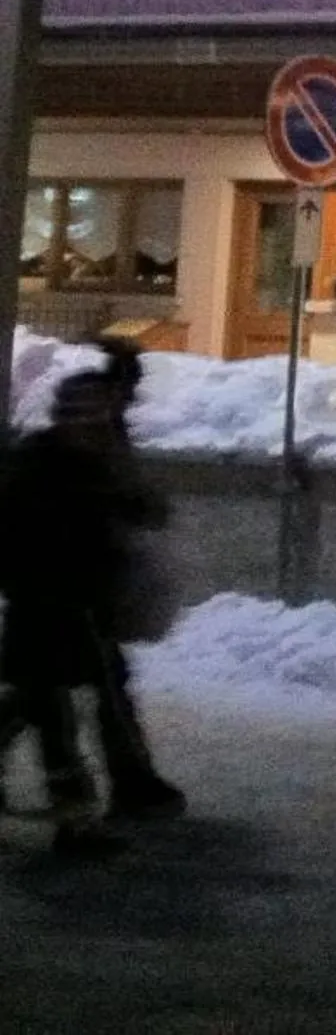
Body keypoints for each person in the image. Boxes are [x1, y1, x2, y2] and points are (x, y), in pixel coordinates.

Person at [0, 340, 186, 855]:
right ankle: (87, 814)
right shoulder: (54, 471)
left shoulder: (72, 462)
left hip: (62, 609)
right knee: (56, 708)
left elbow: (139, 509)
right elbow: (48, 538)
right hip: (57, 610)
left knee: (41, 703)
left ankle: (90, 810)